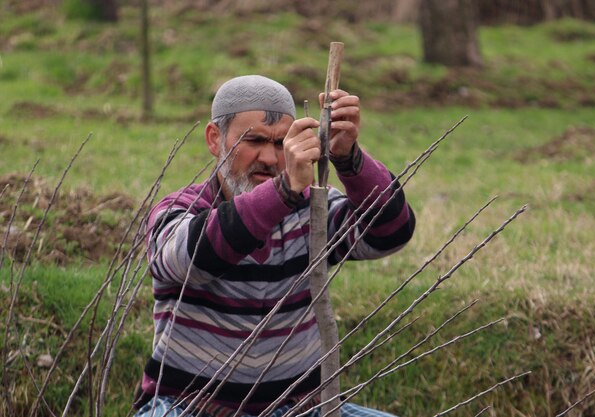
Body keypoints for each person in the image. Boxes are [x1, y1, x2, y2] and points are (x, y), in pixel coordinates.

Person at [134, 75, 415, 417]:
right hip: (188, 408)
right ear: (214, 139)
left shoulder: (311, 212)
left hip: (300, 410)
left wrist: (348, 156)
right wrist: (282, 191)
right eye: (253, 140)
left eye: (282, 143)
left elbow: (391, 232)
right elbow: (194, 258)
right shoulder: (179, 211)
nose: (268, 158)